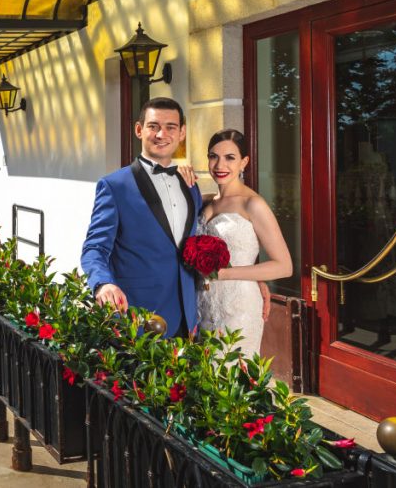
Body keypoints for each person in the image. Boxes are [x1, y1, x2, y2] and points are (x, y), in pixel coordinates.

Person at [81, 98, 202, 337]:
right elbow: (94, 248)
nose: (161, 134)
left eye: (170, 127)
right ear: (139, 130)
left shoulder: (190, 185)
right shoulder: (114, 186)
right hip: (140, 315)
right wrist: (103, 283)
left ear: (182, 133)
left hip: (188, 317)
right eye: (153, 126)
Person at [177, 129, 292, 356]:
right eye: (213, 156)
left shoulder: (253, 204)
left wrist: (224, 274)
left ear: (244, 162)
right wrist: (178, 171)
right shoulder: (206, 200)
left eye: (230, 157)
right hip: (202, 302)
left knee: (230, 375)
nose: (220, 165)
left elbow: (284, 266)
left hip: (239, 305)